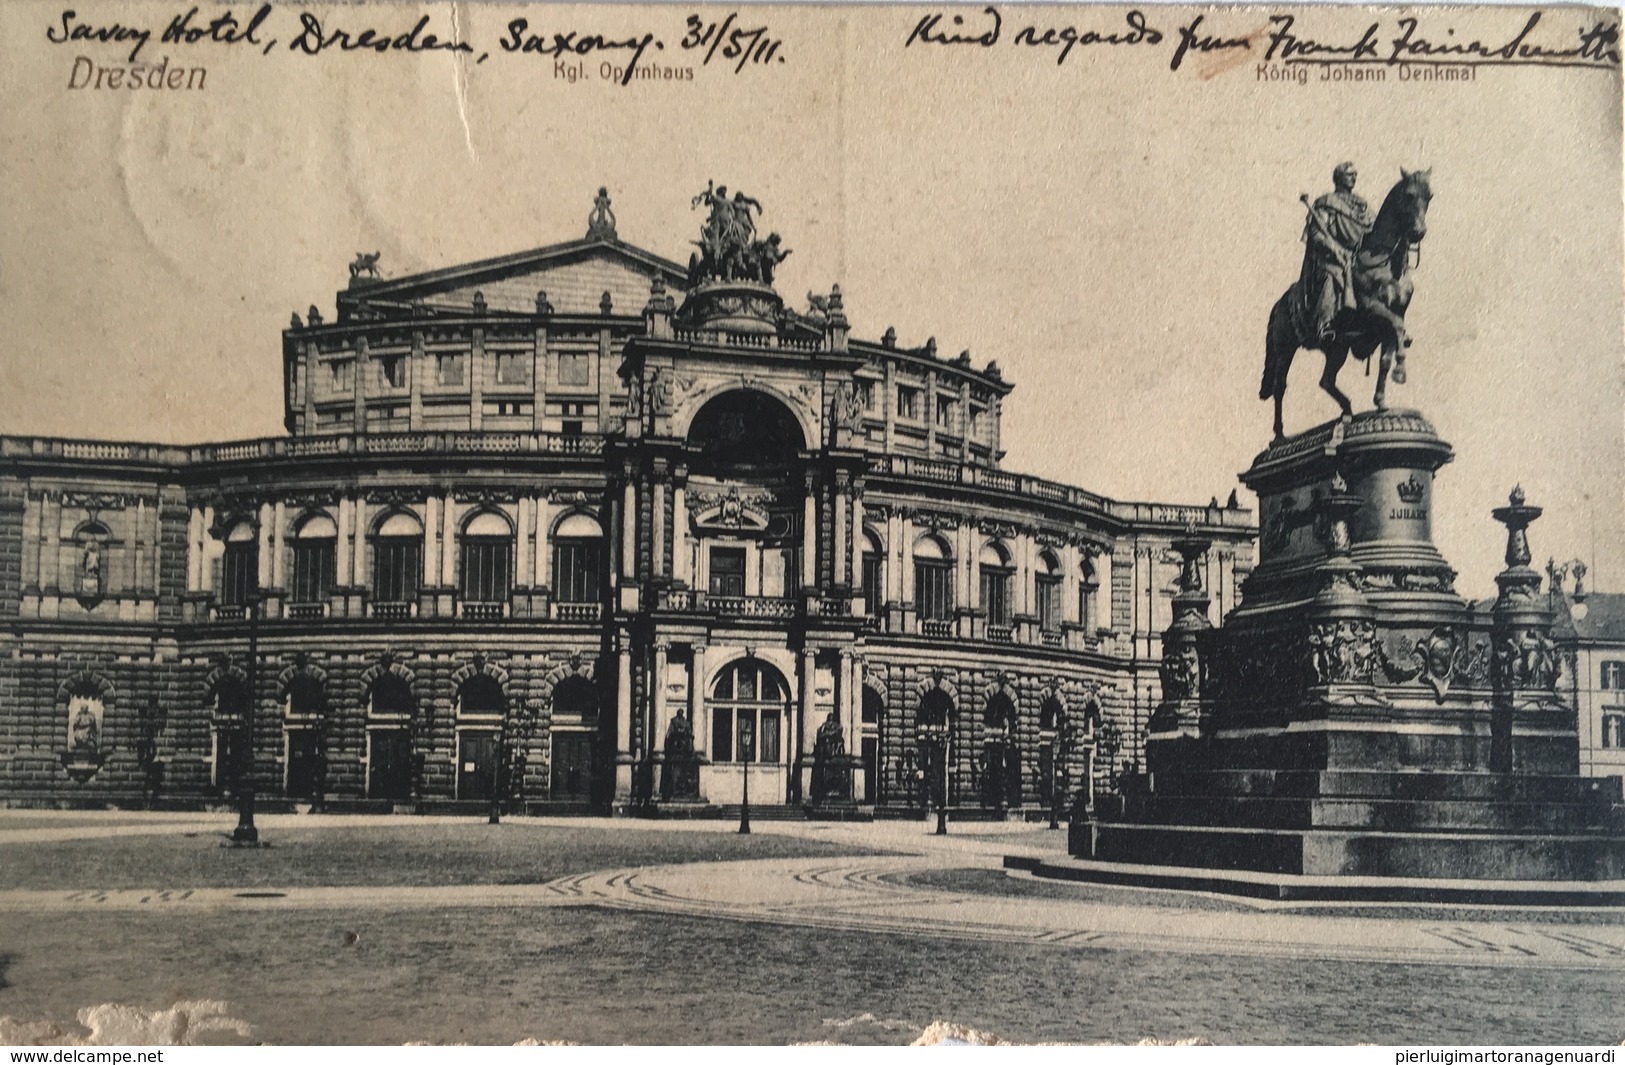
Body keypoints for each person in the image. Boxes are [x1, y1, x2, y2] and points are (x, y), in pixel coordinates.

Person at [1300, 162, 1374, 344]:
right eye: (1349, 174)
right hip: (1332, 259)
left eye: (1355, 174)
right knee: (1331, 277)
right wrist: (1336, 248)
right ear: (1339, 177)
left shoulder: (1363, 206)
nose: (1354, 177)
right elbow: (1317, 234)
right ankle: (1324, 324)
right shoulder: (1327, 203)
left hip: (1356, 258)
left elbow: (1374, 230)